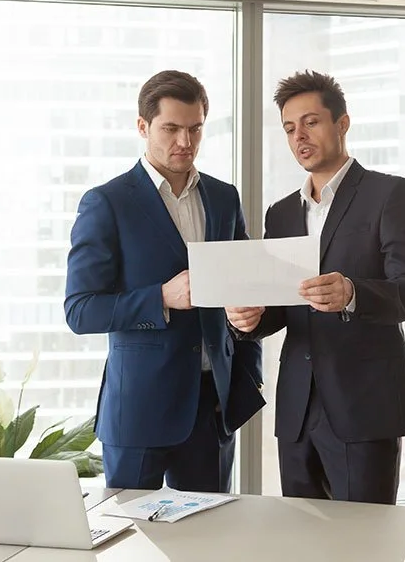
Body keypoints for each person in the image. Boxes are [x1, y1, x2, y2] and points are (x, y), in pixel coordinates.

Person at [226, 70, 405, 505]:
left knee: (365, 536)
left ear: (342, 124)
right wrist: (250, 319)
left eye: (311, 122)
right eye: (289, 128)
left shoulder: (389, 194)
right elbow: (280, 306)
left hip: (365, 405)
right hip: (297, 409)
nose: (299, 136)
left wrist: (352, 293)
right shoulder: (281, 213)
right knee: (302, 534)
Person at [64, 70, 264, 492]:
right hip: (139, 410)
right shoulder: (107, 203)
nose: (185, 142)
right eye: (171, 129)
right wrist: (161, 298)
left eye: (195, 129)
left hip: (212, 409)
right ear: (143, 127)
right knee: (129, 530)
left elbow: (245, 287)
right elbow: (80, 310)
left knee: (210, 530)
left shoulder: (224, 198)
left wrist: (248, 370)